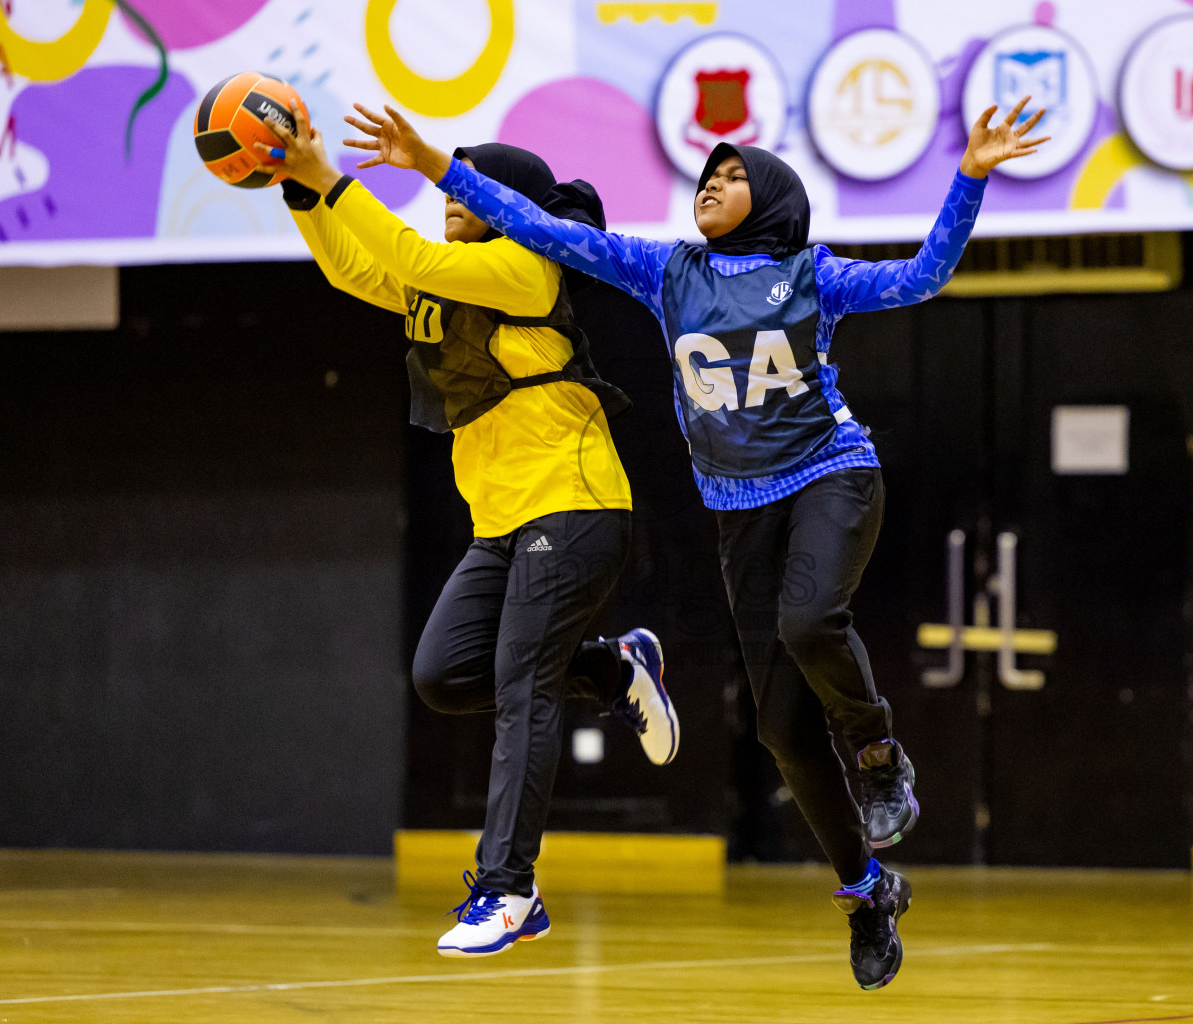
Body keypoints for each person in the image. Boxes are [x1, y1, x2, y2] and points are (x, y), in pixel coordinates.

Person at [342, 93, 1046, 990]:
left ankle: (876, 755)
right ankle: (869, 893)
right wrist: (439, 165)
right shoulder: (669, 273)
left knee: (809, 622)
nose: (713, 181)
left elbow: (922, 277)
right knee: (783, 733)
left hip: (832, 473)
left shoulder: (811, 275)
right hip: (738, 509)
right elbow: (552, 235)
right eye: (707, 172)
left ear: (777, 198)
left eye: (734, 174)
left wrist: (970, 177)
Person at [259, 107, 681, 958]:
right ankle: (611, 666)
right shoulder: (447, 285)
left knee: (521, 684)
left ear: (512, 204)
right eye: (451, 185)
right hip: (502, 522)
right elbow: (357, 270)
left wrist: (333, 176)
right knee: (446, 676)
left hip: (574, 501)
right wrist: (299, 189)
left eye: (468, 184)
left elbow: (407, 254)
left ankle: (507, 889)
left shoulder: (528, 271)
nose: (450, 197)